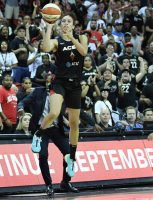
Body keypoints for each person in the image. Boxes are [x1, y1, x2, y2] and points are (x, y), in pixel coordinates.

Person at [31, 13, 88, 178]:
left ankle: (72, 158)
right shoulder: (58, 41)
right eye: (63, 21)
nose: (66, 24)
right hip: (60, 82)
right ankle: (39, 134)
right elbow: (46, 48)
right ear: (60, 24)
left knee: (74, 124)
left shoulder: (82, 37)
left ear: (73, 24)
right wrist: (49, 26)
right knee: (55, 112)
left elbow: (83, 52)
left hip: (75, 85)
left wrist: (72, 38)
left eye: (69, 21)